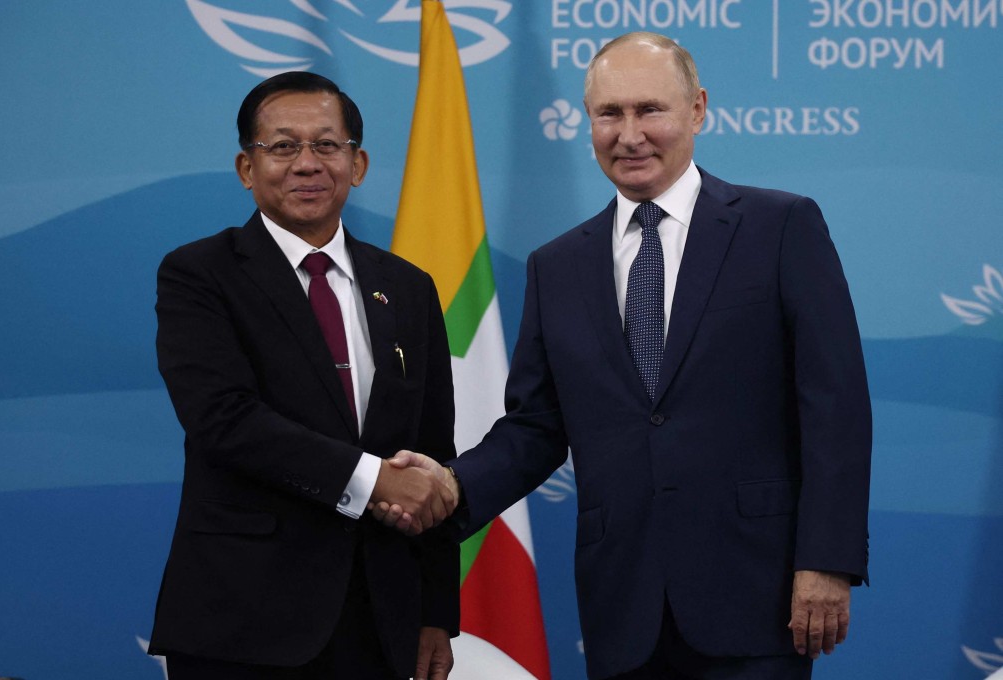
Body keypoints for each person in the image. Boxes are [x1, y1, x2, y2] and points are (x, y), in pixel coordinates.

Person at [378, 32, 872, 679]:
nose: (629, 134)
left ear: (697, 109)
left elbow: (835, 407)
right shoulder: (557, 266)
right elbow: (535, 426)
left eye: (650, 110)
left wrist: (827, 559)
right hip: (624, 606)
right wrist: (452, 483)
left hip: (758, 594)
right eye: (609, 114)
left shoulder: (780, 228)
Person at [147, 72, 459, 680]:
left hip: (382, 616)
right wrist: (372, 482)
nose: (307, 164)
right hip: (245, 617)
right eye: (283, 146)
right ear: (246, 167)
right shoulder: (199, 274)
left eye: (326, 145)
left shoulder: (408, 287)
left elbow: (431, 452)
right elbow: (223, 419)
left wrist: (435, 611)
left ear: (358, 163)